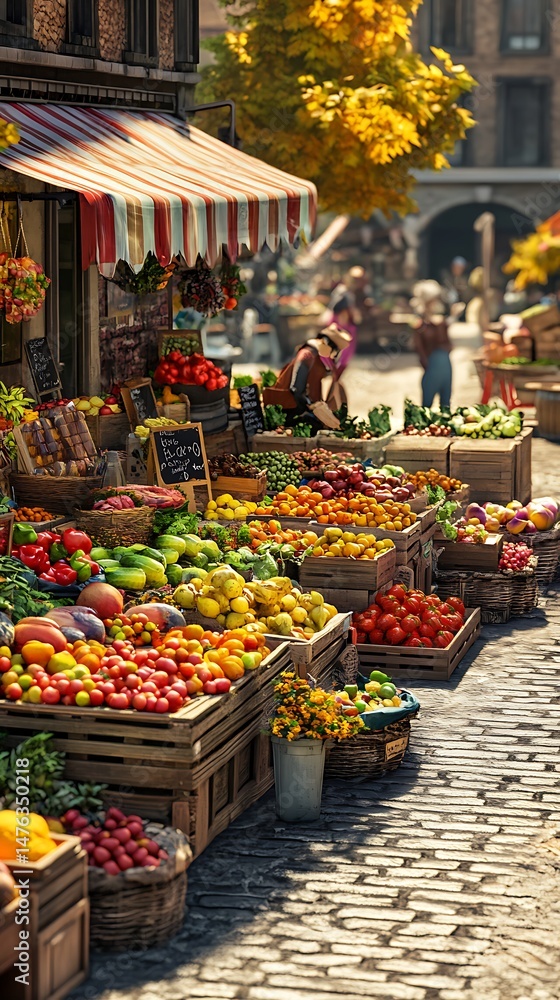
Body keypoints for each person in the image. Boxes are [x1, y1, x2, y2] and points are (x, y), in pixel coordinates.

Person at [262, 324, 352, 434]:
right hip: (290, 410)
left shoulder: (317, 357)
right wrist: (311, 407)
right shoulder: (307, 355)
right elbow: (296, 389)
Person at [410, 280, 463, 408]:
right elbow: (419, 347)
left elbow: (444, 329)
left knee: (446, 404)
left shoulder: (440, 321)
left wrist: (453, 316)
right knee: (427, 406)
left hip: (445, 365)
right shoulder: (421, 325)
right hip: (433, 367)